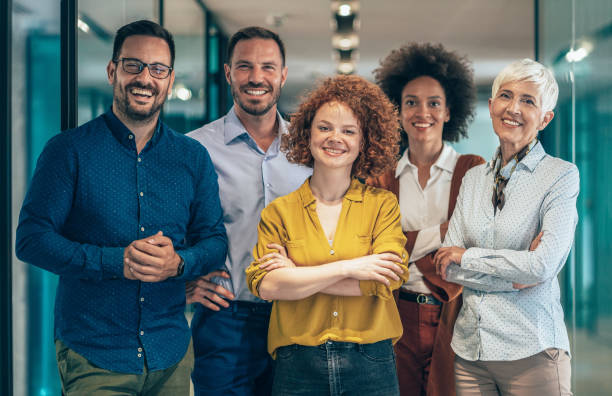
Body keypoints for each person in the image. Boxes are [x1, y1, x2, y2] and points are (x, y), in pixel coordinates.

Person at [15, 20, 227, 395]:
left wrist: (177, 263)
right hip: (94, 354)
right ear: (113, 70)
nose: (145, 78)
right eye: (134, 65)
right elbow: (32, 239)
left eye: (158, 69)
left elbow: (213, 240)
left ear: (170, 79)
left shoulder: (192, 158)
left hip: (170, 354)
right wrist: (117, 263)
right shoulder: (69, 151)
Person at [246, 75, 410, 396]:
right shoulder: (279, 212)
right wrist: (350, 268)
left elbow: (385, 278)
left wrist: (296, 277)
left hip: (370, 360)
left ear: (365, 142)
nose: (336, 138)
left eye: (349, 131)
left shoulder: (383, 205)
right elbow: (267, 286)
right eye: (325, 128)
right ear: (307, 134)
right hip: (297, 362)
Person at [434, 58, 578, 396]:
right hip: (471, 353)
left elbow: (541, 265)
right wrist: (516, 276)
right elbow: (446, 267)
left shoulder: (560, 176)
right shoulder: (472, 179)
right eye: (506, 96)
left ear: (545, 118)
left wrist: (467, 257)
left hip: (533, 351)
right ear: (491, 104)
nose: (513, 108)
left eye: (528, 101)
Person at [186, 27, 311, 396]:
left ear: (283, 75)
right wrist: (183, 283)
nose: (256, 77)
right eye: (245, 67)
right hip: (226, 319)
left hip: (298, 317)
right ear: (228, 73)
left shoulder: (309, 152)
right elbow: (170, 226)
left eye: (268, 67)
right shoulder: (195, 150)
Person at [369, 43, 484, 396]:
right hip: (395, 315)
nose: (423, 112)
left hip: (455, 314)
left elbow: (479, 239)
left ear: (449, 111)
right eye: (411, 102)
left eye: (434, 102)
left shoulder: (472, 170)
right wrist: (445, 237)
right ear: (397, 111)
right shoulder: (381, 176)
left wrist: (404, 243)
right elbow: (373, 246)